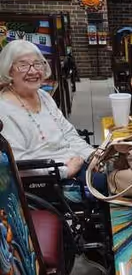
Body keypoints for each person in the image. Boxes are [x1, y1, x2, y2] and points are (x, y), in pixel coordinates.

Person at [0, 40, 106, 193]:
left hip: (73, 162)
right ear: (9, 70)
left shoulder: (43, 96)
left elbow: (68, 133)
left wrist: (91, 155)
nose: (33, 71)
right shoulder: (4, 109)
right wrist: (66, 171)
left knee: (117, 168)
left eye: (38, 64)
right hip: (47, 180)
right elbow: (17, 163)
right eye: (23, 65)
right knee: (113, 184)